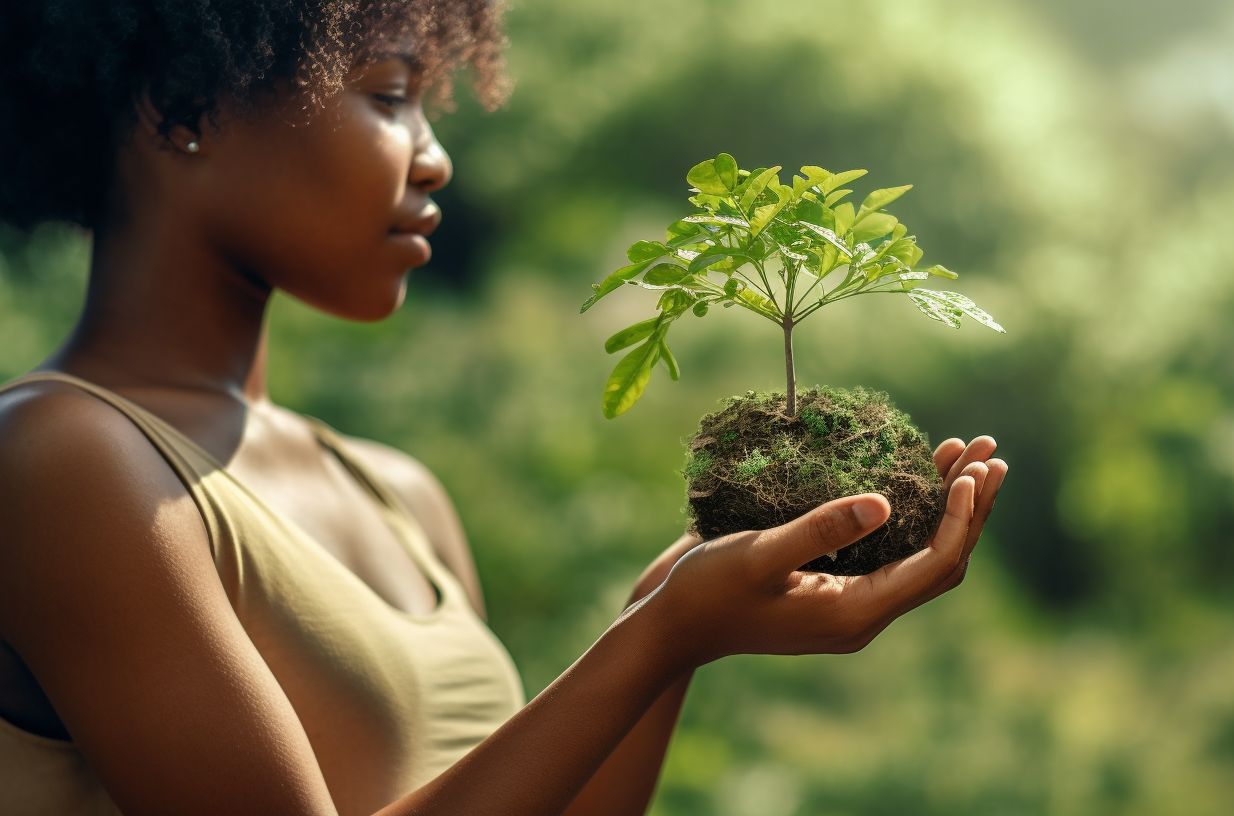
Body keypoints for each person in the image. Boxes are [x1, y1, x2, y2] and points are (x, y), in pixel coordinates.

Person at [0, 1, 1010, 814]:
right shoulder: (60, 461)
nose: (433, 156)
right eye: (391, 95)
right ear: (184, 106)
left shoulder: (400, 494)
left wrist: (671, 614)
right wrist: (657, 639)